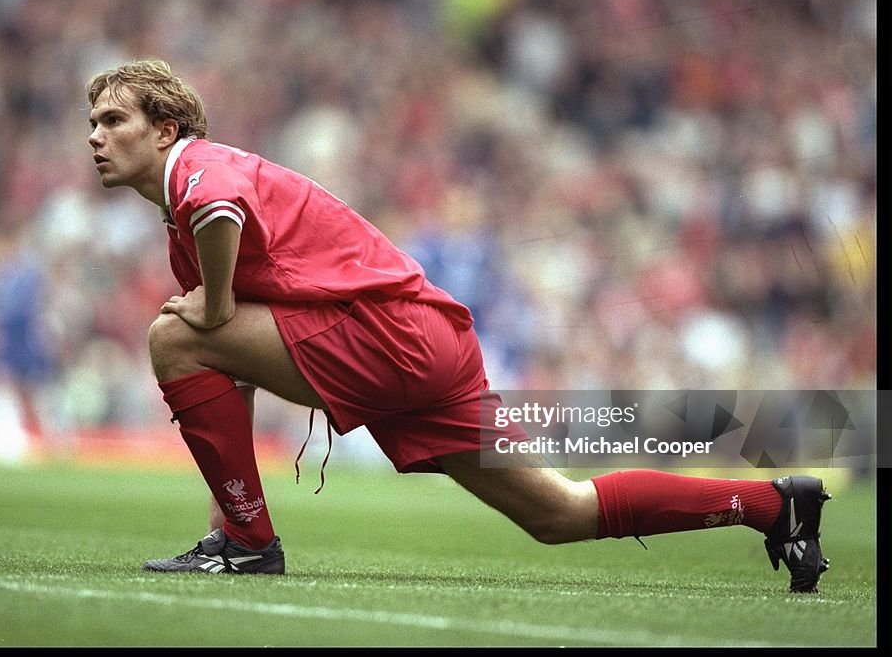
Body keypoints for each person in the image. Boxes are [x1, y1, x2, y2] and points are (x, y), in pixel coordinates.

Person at [85, 58, 830, 592]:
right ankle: (770, 504)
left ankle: (250, 547)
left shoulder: (196, 167)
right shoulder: (182, 219)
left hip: (390, 336)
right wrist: (230, 511)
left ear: (165, 129)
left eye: (114, 119)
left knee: (172, 335)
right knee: (557, 510)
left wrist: (213, 307)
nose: (95, 135)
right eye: (92, 122)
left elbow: (222, 217)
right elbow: (234, 376)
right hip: (427, 341)